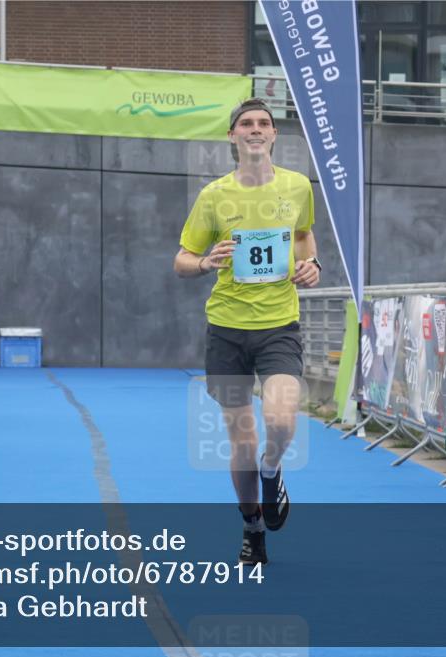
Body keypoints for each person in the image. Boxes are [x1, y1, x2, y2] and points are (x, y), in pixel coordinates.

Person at [173, 98, 321, 565]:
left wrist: (312, 263)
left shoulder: (297, 187)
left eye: (263, 123)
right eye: (246, 124)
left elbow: (303, 237)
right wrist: (203, 262)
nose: (255, 129)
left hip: (279, 323)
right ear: (233, 136)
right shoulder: (214, 195)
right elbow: (180, 261)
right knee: (241, 438)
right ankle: (252, 526)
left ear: (274, 135)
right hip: (227, 329)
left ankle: (272, 471)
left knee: (280, 419)